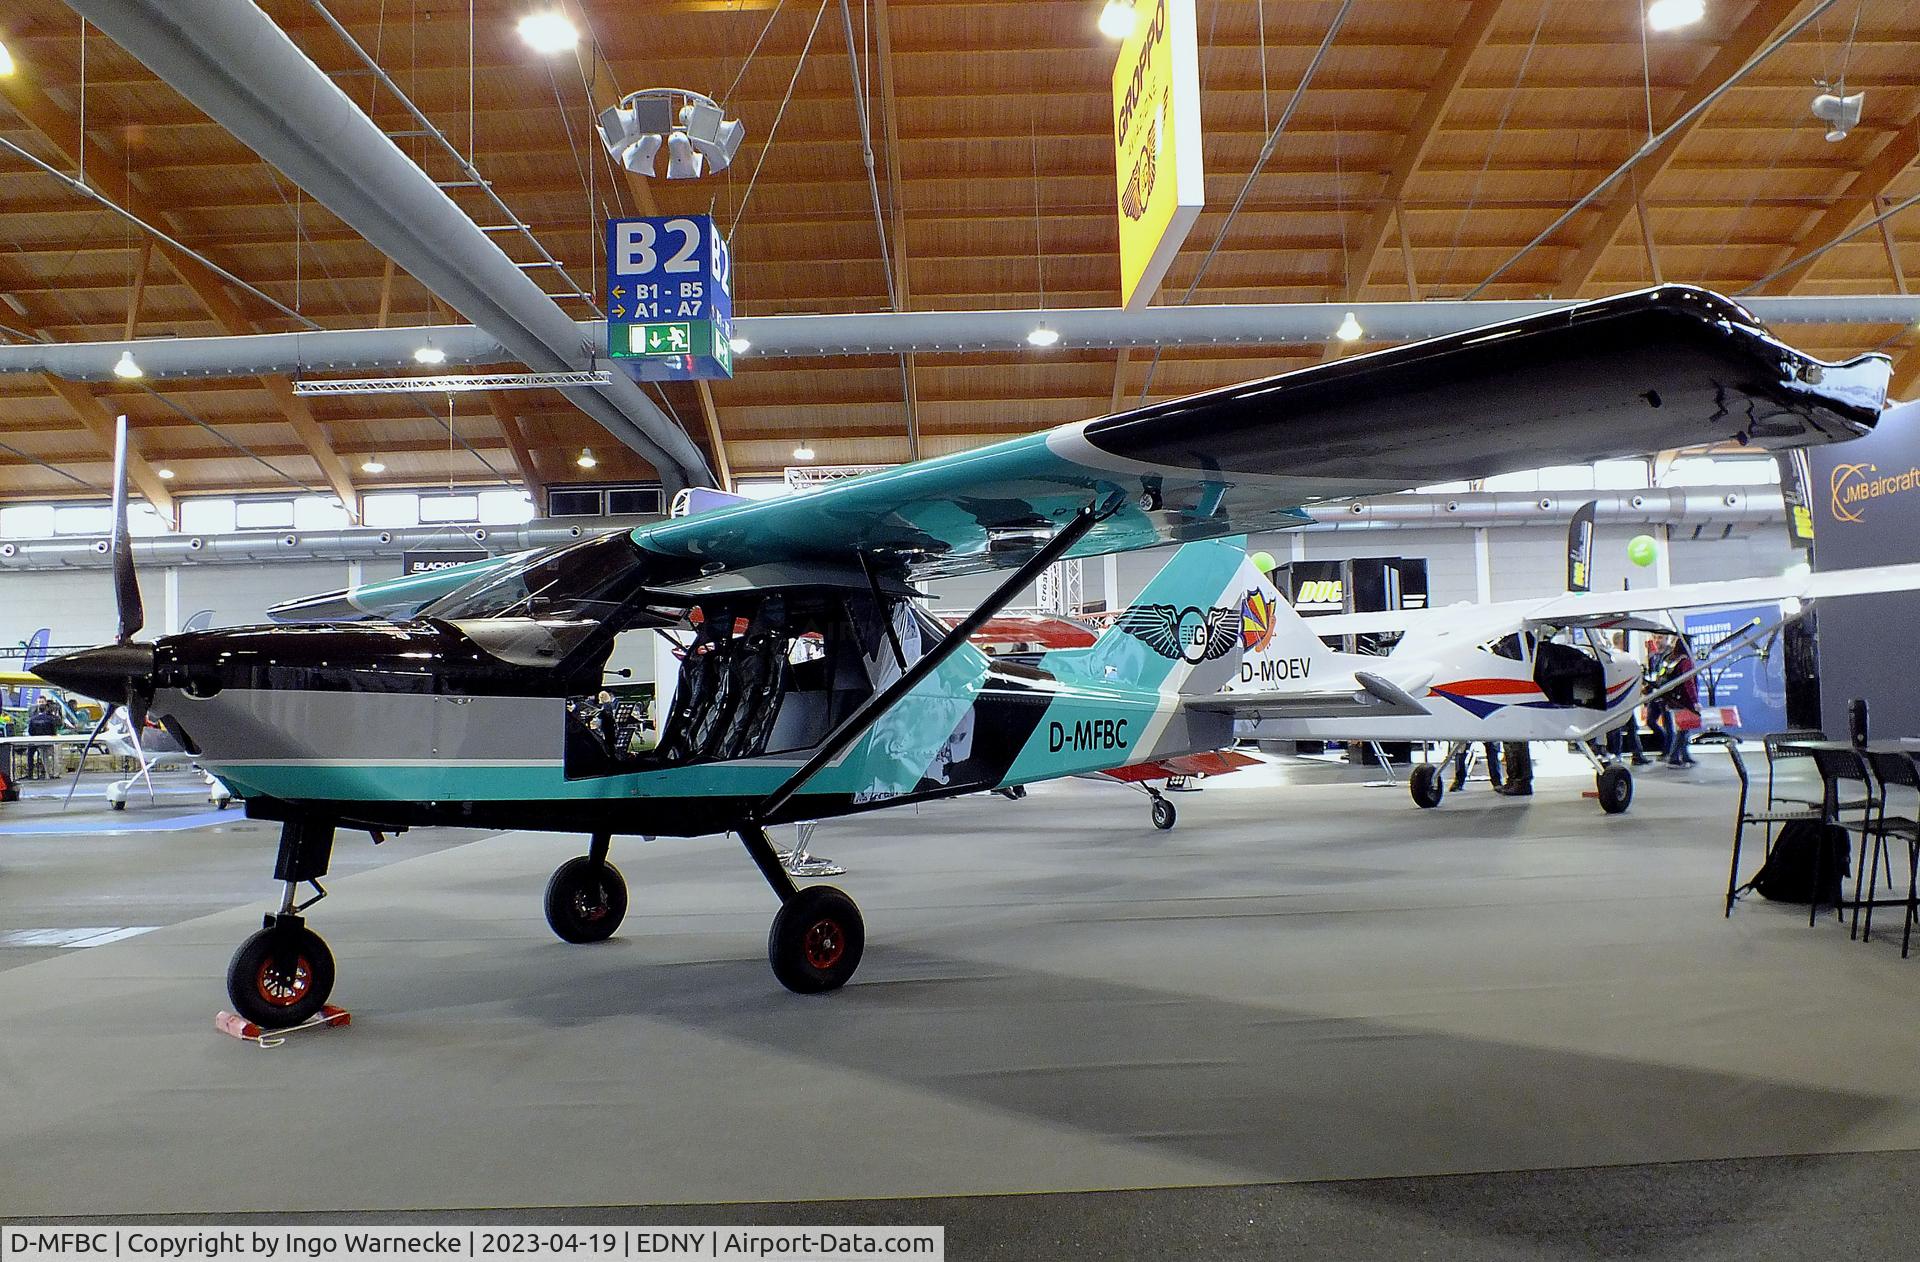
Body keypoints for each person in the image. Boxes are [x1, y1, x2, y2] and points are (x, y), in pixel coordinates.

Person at [1661, 635, 1699, 768]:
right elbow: (1689, 682)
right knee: (1683, 729)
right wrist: (1694, 700)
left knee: (1683, 728)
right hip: (1684, 699)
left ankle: (1685, 755)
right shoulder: (1686, 661)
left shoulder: (1671, 659)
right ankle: (1674, 757)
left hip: (1672, 698)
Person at [1643, 634, 1673, 759]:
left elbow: (1668, 675)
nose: (1657, 640)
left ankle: (1668, 750)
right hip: (1655, 694)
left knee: (1668, 723)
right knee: (1650, 721)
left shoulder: (1671, 655)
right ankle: (1666, 745)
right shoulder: (1654, 656)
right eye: (1655, 638)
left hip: (1666, 694)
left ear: (1667, 639)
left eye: (1660, 638)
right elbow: (1653, 673)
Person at [25, 699, 60, 780]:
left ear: (38, 709)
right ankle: (55, 773)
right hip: (49, 741)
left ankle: (44, 773)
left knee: (43, 757)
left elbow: (30, 731)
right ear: (46, 709)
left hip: (37, 742)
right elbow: (53, 731)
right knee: (53, 756)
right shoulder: (50, 718)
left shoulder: (33, 719)